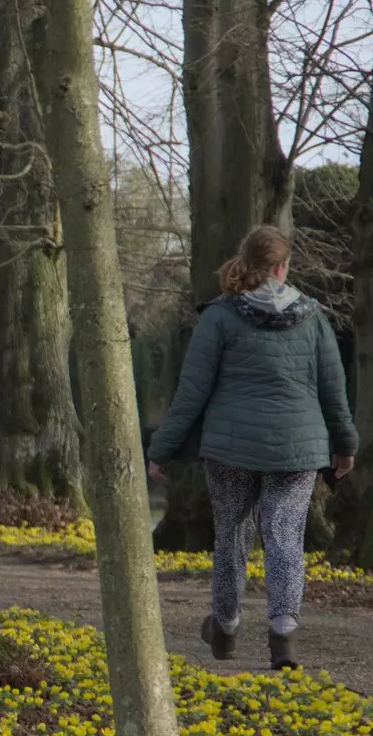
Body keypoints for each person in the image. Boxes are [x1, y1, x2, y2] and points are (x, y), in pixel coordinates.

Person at [147, 225, 357, 670]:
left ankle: (225, 628)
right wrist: (345, 445)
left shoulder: (219, 317)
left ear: (247, 261)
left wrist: (161, 449)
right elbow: (333, 391)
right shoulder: (314, 317)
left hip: (231, 449)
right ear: (282, 267)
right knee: (284, 535)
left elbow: (192, 391)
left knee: (232, 535)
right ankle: (283, 637)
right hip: (298, 450)